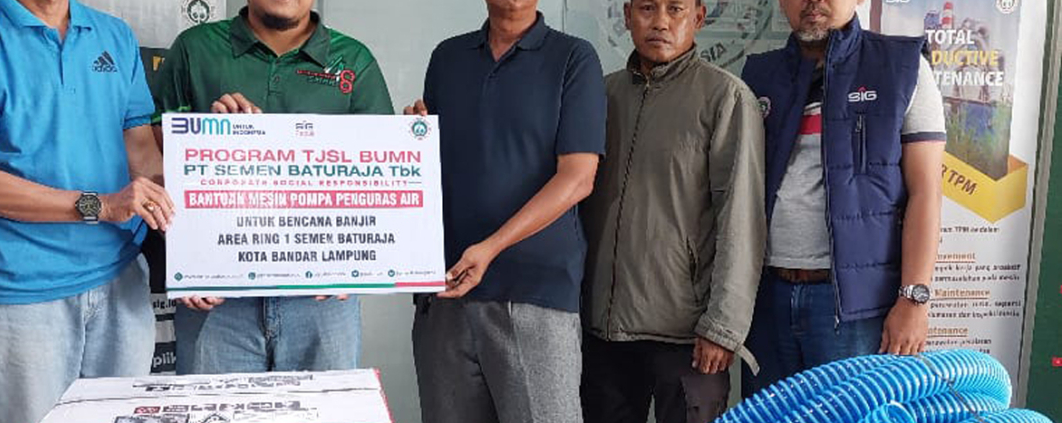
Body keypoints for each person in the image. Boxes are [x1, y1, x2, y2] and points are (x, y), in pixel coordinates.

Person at [0, 0, 172, 421]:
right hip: (24, 292)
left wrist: (202, 248)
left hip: (122, 280)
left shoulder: (114, 35)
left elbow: (143, 156)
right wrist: (101, 206)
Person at [150, 0, 394, 374]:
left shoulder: (354, 60)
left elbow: (383, 176)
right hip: (217, 295)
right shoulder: (195, 48)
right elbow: (153, 154)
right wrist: (212, 139)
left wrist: (358, 264)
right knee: (215, 406)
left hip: (321, 300)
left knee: (322, 406)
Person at [404, 1, 606, 421]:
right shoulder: (448, 57)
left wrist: (491, 247)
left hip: (535, 295)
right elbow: (432, 166)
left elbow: (578, 178)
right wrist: (410, 137)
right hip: (446, 293)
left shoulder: (573, 57)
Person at [740, 0, 947, 395]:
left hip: (853, 310)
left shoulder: (902, 67)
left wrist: (914, 300)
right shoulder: (759, 75)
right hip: (766, 300)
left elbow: (926, 193)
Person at [579, 0, 766, 421]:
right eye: (647, 8)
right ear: (627, 16)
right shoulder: (602, 95)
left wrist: (723, 327)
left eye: (675, 9)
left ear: (698, 18)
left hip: (688, 337)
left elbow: (742, 220)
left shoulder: (725, 98)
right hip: (603, 332)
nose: (661, 22)